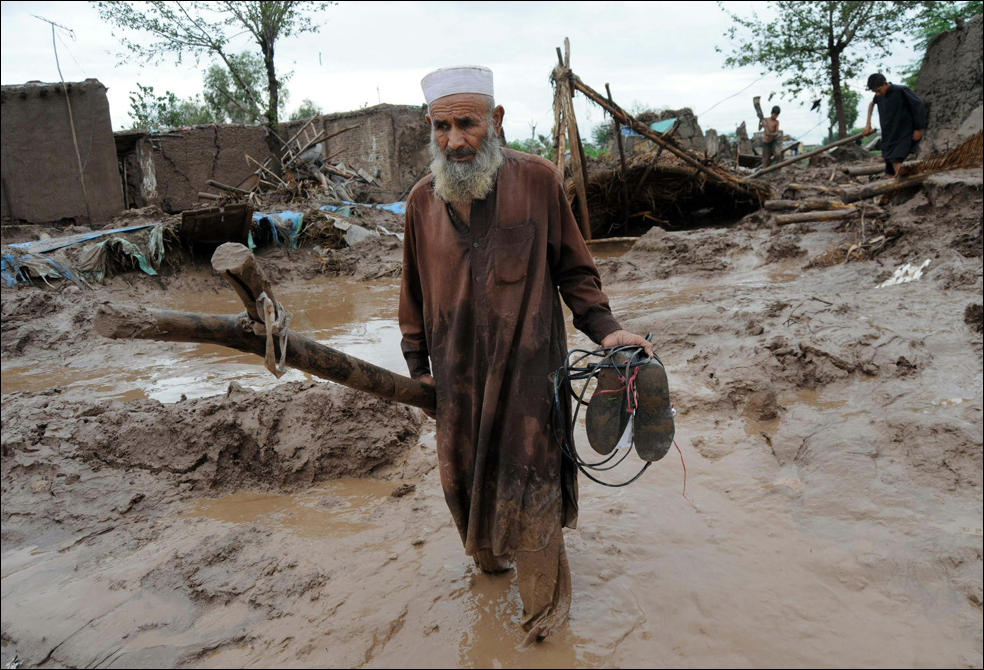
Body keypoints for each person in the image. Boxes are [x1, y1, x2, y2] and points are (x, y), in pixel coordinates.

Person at [399, 65, 651, 643]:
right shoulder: (419, 202)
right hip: (457, 387)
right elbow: (411, 293)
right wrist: (418, 372)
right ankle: (492, 565)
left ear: (496, 120)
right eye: (441, 127)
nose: (454, 140)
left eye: (466, 123)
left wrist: (606, 329)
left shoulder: (538, 181)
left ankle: (544, 626)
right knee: (467, 493)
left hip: (531, 382)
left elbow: (575, 271)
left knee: (533, 491)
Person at [862, 73, 927, 177]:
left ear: (885, 83)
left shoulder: (901, 90)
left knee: (896, 159)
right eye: (875, 92)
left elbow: (918, 106)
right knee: (889, 167)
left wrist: (918, 129)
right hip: (888, 134)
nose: (877, 94)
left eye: (878, 90)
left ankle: (905, 185)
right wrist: (868, 124)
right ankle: (894, 187)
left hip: (904, 133)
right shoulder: (879, 95)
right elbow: (871, 104)